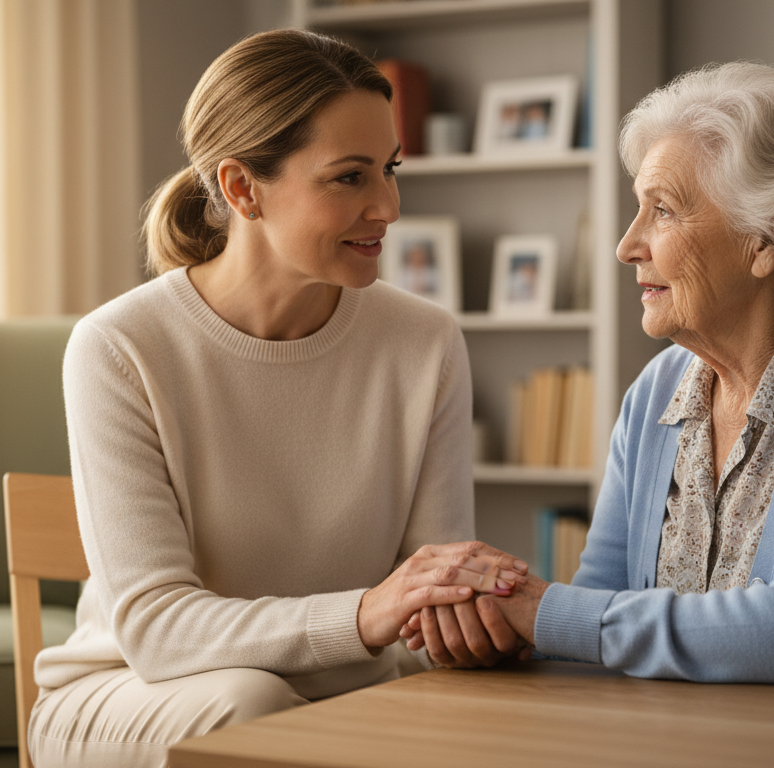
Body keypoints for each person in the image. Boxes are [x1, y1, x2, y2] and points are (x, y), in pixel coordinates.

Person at [403, 61, 774, 690]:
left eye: (662, 211)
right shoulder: (658, 392)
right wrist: (503, 630)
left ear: (770, 237)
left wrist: (543, 612)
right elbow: (598, 612)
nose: (627, 246)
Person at [28, 29, 527, 768]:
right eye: (350, 177)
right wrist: (366, 615)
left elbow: (427, 595)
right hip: (132, 693)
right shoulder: (119, 347)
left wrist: (471, 614)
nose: (389, 206)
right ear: (241, 188)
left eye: (389, 170)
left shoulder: (424, 341)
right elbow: (157, 629)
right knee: (253, 705)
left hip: (349, 695)